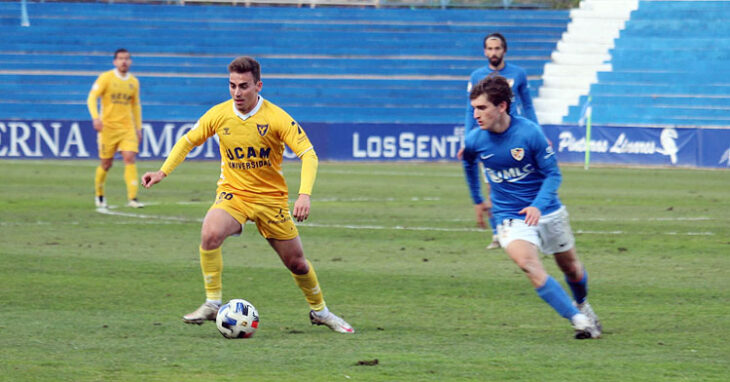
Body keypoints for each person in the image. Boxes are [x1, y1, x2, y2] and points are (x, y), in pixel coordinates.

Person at [141, 56, 354, 334]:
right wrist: (162, 172)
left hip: (271, 200)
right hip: (234, 194)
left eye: (243, 86)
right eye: (232, 86)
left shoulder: (276, 117)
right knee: (210, 233)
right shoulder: (218, 114)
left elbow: (308, 154)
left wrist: (304, 195)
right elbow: (188, 141)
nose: (237, 93)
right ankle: (213, 302)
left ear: (258, 85)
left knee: (297, 263)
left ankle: (321, 312)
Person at [461, 76, 601, 339]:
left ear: (501, 106)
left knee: (571, 268)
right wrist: (477, 199)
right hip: (509, 216)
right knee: (528, 264)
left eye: (482, 108)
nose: (476, 115)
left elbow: (553, 175)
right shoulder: (474, 140)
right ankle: (580, 321)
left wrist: (537, 206)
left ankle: (582, 304)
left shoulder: (530, 133)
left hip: (547, 210)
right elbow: (468, 164)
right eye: (474, 109)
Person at [460, 32, 539, 250]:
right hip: (487, 138)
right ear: (485, 51)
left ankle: (527, 225)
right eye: (490, 48)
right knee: (493, 184)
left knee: (523, 180)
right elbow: (470, 110)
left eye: (497, 48)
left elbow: (528, 106)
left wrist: (538, 134)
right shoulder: (477, 76)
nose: (493, 52)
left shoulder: (518, 74)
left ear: (504, 50)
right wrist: (467, 140)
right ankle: (498, 233)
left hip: (515, 136)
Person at [87, 48, 144, 209]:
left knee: (129, 157)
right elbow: (92, 97)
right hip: (108, 128)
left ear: (130, 61)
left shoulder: (134, 82)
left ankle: (133, 198)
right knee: (106, 164)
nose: (123, 61)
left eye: (126, 58)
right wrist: (95, 117)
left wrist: (138, 128)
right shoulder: (106, 78)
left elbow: (136, 106)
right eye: (120, 58)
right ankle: (99, 193)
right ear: (115, 61)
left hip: (127, 128)